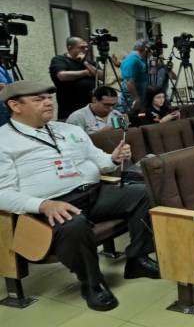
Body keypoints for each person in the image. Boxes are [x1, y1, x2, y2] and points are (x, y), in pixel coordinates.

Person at [0, 80, 158, 312]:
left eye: (49, 98)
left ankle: (138, 259)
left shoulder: (69, 130)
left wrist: (113, 158)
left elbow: (100, 161)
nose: (47, 103)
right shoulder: (4, 140)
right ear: (15, 105)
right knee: (73, 224)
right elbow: (2, 192)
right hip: (51, 205)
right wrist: (43, 204)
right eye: (38, 99)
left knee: (144, 193)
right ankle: (92, 284)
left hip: (93, 193)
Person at [49, 36, 100, 120]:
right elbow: (62, 76)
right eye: (81, 47)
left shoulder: (88, 62)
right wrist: (86, 72)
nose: (85, 49)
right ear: (70, 47)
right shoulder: (59, 60)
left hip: (91, 108)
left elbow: (102, 75)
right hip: (70, 109)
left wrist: (86, 63)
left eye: (86, 47)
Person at [118, 40, 150, 112]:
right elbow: (129, 81)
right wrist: (136, 98)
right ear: (146, 49)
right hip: (132, 98)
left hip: (139, 95)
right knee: (131, 117)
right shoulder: (132, 60)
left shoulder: (140, 59)